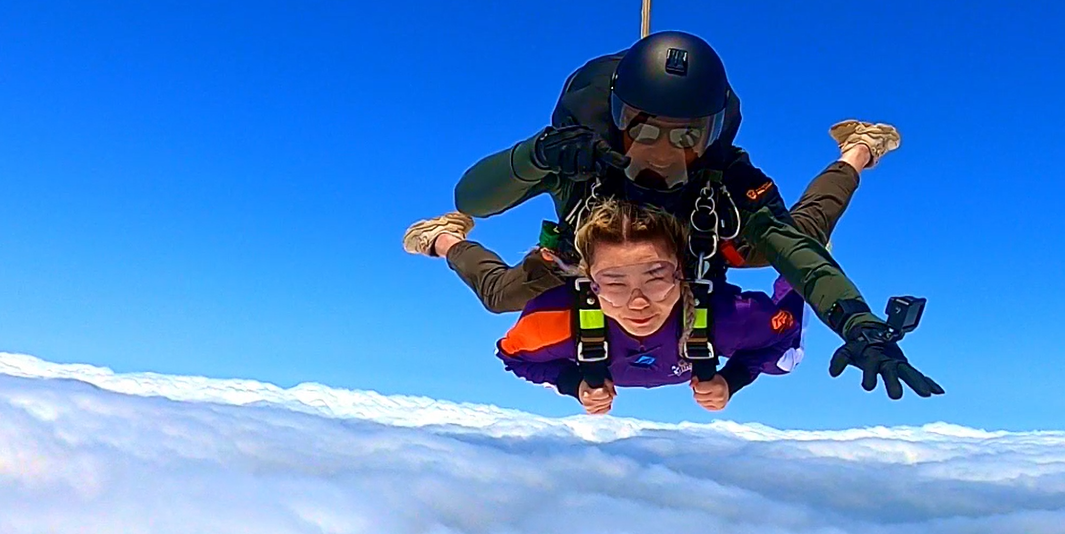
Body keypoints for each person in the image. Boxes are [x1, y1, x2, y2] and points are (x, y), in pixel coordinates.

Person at [403, 31, 940, 400]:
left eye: (686, 137)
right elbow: (474, 197)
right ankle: (445, 240)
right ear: (617, 118)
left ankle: (857, 150)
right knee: (504, 296)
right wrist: (538, 155)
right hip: (592, 262)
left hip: (688, 259)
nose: (662, 152)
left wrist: (858, 322)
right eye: (644, 128)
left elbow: (802, 258)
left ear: (710, 132)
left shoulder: (725, 177)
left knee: (799, 236)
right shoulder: (580, 153)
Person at [496, 199, 804, 414]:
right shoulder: (552, 322)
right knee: (495, 297)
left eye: (656, 277)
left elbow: (783, 336)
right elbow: (514, 358)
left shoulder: (726, 318)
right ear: (591, 286)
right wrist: (571, 383)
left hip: (722, 316)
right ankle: (447, 240)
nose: (638, 301)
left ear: (681, 274)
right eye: (615, 283)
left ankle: (804, 249)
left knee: (786, 361)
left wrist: (734, 378)